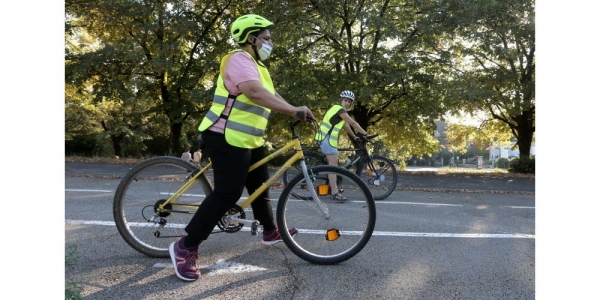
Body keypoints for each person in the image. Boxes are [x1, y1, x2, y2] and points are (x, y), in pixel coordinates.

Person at [169, 14, 314, 282]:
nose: (270, 43)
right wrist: (294, 111)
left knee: (260, 185)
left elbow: (272, 95)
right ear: (251, 38)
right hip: (224, 136)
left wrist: (296, 110)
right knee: (228, 193)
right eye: (266, 38)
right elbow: (254, 94)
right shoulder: (238, 59)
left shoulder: (258, 67)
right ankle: (185, 247)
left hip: (248, 139)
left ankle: (270, 231)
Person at [314, 90, 369, 203]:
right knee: (333, 166)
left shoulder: (337, 110)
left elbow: (346, 125)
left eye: (350, 101)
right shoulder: (339, 109)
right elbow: (353, 123)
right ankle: (334, 192)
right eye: (346, 100)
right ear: (341, 100)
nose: (347, 103)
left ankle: (332, 187)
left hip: (325, 139)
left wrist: (354, 137)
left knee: (333, 164)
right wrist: (366, 134)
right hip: (326, 139)